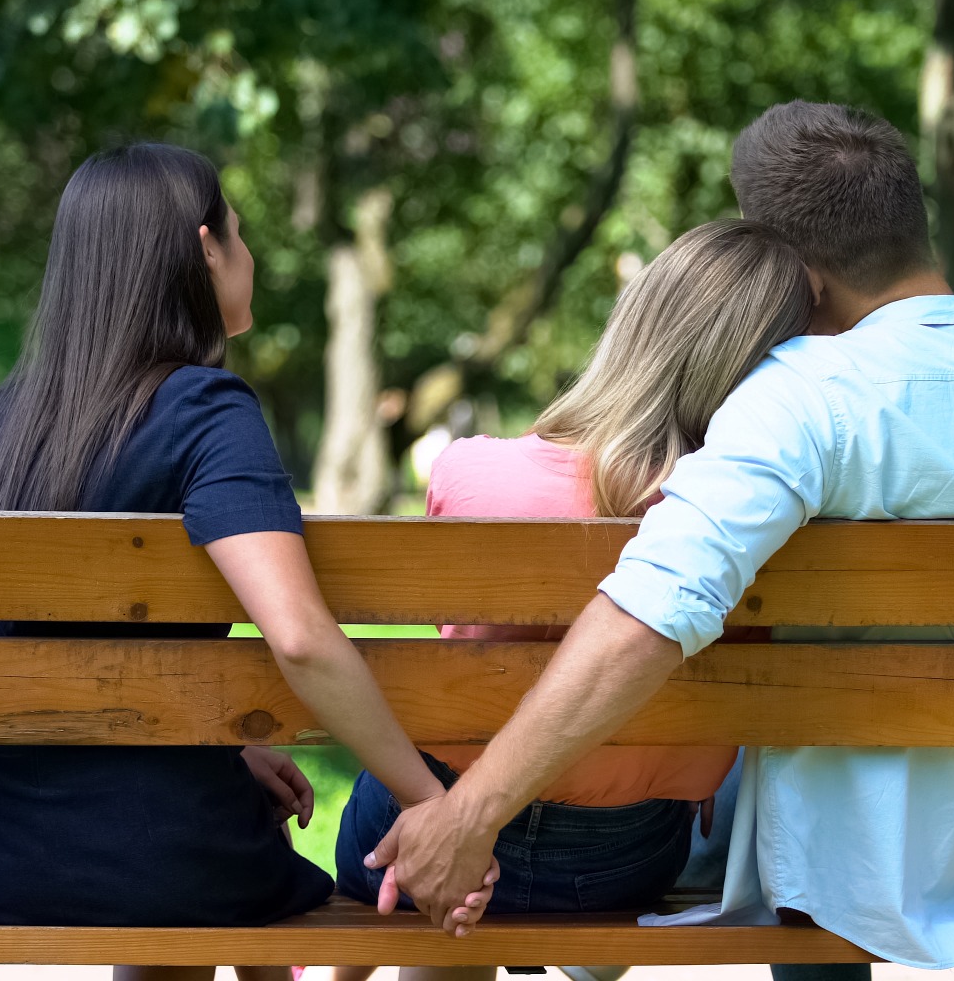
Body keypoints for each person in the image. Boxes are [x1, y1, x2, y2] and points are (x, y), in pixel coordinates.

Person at [362, 102, 954, 973]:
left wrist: (472, 813)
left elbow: (657, 603)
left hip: (852, 870)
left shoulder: (804, 393)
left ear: (797, 277)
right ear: (914, 223)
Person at [0, 142, 490, 981]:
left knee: (194, 862)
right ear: (202, 250)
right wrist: (433, 806)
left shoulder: (4, 420)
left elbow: (48, 651)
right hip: (156, 857)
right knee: (202, 876)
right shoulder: (207, 410)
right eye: (240, 231)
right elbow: (297, 637)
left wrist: (213, 745)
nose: (250, 255)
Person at [329, 219, 810, 981]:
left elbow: (451, 641)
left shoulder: (471, 472)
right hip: (621, 861)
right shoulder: (757, 523)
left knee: (422, 824)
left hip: (424, 827)